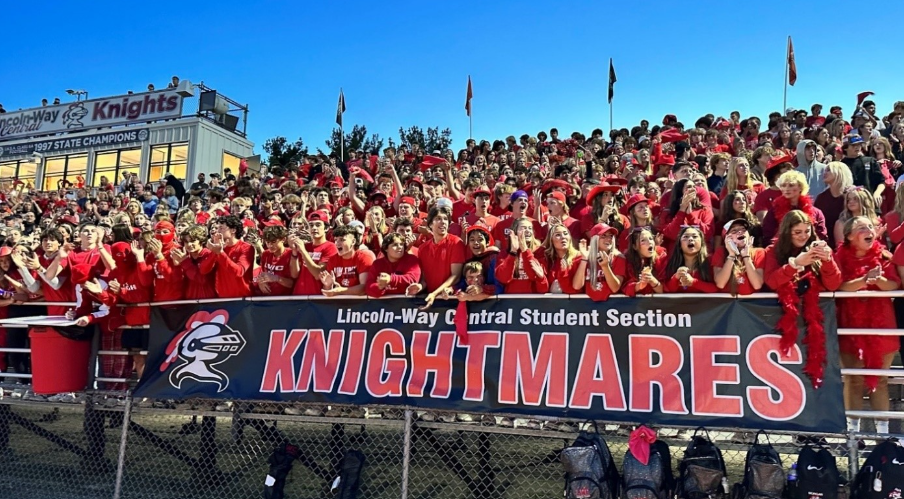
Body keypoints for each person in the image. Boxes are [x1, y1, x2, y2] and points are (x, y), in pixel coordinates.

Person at [836, 216, 900, 435]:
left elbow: (894, 285)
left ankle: (883, 437)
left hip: (881, 329)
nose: (868, 230)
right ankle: (853, 434)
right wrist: (864, 280)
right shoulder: (839, 258)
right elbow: (837, 285)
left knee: (880, 381)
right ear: (849, 236)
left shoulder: (884, 256)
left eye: (870, 227)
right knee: (853, 380)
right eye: (862, 227)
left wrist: (877, 279)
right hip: (851, 328)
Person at [763, 210, 841, 384]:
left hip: (814, 320)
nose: (803, 236)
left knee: (814, 368)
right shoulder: (773, 251)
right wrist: (796, 264)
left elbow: (834, 284)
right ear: (786, 231)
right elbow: (771, 281)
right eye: (797, 232)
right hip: (782, 318)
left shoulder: (818, 248)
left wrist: (828, 260)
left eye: (807, 231)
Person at [406, 206, 465, 307]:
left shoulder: (456, 242)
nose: (443, 222)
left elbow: (456, 276)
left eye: (445, 219)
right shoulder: (422, 248)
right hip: (430, 300)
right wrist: (420, 286)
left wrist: (434, 294)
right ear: (430, 224)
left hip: (450, 301)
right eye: (438, 219)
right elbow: (425, 279)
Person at [762, 170, 828, 243]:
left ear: (801, 187)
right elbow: (768, 236)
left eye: (791, 185)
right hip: (782, 251)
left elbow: (821, 237)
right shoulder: (774, 211)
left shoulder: (816, 212)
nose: (787, 189)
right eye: (783, 185)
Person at [199, 215, 254, 298]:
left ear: (233, 230)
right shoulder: (218, 247)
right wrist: (215, 252)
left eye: (221, 228)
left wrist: (220, 252)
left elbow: (239, 272)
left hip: (243, 299)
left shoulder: (247, 248)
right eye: (217, 228)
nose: (217, 231)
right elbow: (203, 270)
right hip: (222, 299)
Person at [494, 217, 548, 294]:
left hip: (534, 301)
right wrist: (513, 253)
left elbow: (533, 276)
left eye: (530, 228)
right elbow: (503, 278)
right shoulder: (504, 253)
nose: (528, 231)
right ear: (514, 232)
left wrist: (525, 250)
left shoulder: (540, 252)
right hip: (510, 302)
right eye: (523, 228)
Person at [290, 210, 337, 295]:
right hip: (298, 296)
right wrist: (294, 252)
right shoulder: (305, 246)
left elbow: (318, 274)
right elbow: (294, 274)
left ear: (326, 228)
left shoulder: (331, 247)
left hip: (317, 298)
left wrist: (303, 251)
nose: (314, 228)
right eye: (311, 225)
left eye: (318, 225)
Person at [712, 219, 765, 294]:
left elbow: (757, 285)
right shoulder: (720, 252)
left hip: (751, 303)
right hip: (727, 303)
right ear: (726, 238)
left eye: (743, 229)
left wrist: (746, 256)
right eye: (734, 230)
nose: (740, 232)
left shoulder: (758, 252)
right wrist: (731, 255)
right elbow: (720, 284)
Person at [320, 225, 375, 296]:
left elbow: (364, 288)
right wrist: (328, 286)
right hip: (339, 305)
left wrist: (340, 290)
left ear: (353, 241)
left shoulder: (365, 257)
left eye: (342, 240)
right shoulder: (332, 260)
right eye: (336, 240)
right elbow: (328, 292)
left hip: (361, 305)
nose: (337, 243)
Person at [575, 224, 625, 301]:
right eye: (603, 236)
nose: (608, 239)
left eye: (611, 236)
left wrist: (605, 266)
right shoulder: (584, 256)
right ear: (595, 239)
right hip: (587, 309)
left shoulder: (619, 258)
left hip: (613, 307)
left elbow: (615, 288)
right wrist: (584, 259)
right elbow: (576, 286)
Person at [663, 225, 717, 293]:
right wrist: (676, 277)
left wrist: (693, 282)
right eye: (686, 237)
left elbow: (716, 288)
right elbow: (667, 289)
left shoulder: (711, 261)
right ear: (679, 244)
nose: (690, 239)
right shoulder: (671, 262)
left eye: (695, 236)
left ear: (702, 242)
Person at [365, 233, 421, 297]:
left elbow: (413, 279)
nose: (400, 247)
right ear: (386, 248)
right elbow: (368, 287)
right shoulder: (377, 264)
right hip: (383, 305)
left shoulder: (412, 259)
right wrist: (380, 287)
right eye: (395, 245)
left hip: (409, 304)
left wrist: (391, 279)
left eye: (401, 244)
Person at [815, 162, 855, 248]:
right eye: (825, 170)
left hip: (850, 242)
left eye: (829, 170)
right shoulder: (821, 198)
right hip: (827, 244)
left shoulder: (851, 195)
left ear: (839, 172)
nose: (824, 173)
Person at [171, 225, 217, 299]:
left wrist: (185, 262)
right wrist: (176, 266)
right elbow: (178, 283)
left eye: (192, 241)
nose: (189, 244)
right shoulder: (185, 256)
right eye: (186, 242)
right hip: (190, 302)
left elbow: (202, 279)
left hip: (209, 302)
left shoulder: (208, 255)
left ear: (201, 241)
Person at [537, 224, 584, 294]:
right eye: (558, 235)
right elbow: (542, 290)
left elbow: (574, 289)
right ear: (551, 240)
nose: (563, 237)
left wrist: (563, 273)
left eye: (565, 233)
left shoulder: (580, 258)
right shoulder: (546, 260)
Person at [623, 227, 666, 296]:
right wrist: (640, 285)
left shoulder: (662, 259)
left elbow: (665, 290)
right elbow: (625, 288)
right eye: (643, 240)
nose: (649, 242)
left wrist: (652, 281)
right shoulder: (627, 262)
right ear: (634, 246)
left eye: (651, 239)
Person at [256, 223, 295, 296]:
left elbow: (293, 284)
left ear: (283, 239)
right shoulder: (265, 254)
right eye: (267, 242)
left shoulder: (290, 254)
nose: (270, 245)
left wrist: (276, 278)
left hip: (286, 299)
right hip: (269, 298)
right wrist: (261, 282)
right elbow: (263, 274)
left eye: (273, 242)